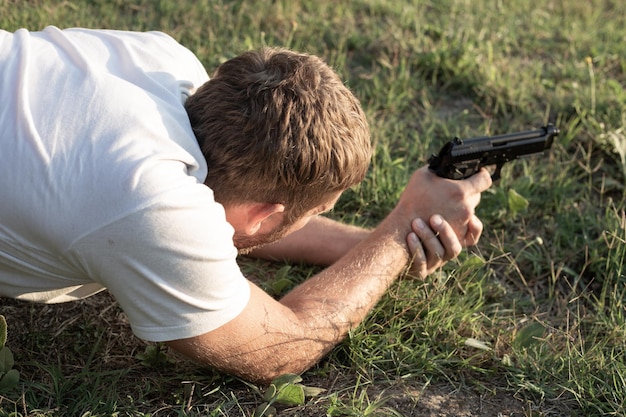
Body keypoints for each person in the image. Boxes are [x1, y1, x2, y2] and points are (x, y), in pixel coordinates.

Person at [0, 26, 492, 384]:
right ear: (267, 213)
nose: (312, 219)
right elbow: (282, 346)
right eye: (313, 212)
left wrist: (375, 249)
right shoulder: (146, 205)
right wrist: (400, 229)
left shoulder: (166, 63)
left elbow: (229, 219)